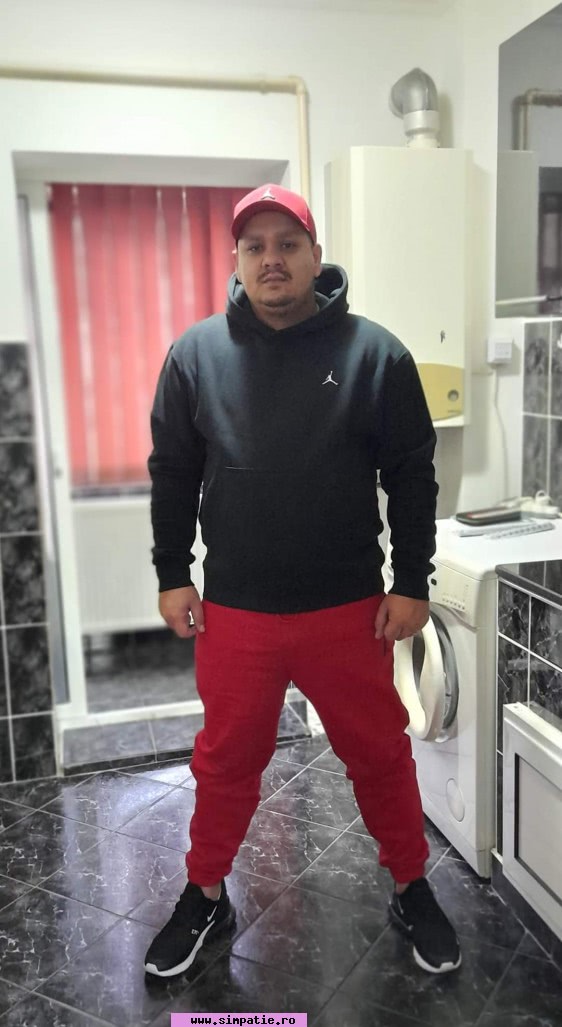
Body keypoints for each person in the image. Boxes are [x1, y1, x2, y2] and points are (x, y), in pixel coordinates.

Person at [144, 183, 461, 979]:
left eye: (288, 243)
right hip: (237, 611)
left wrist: (412, 580)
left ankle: (411, 883)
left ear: (316, 256)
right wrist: (172, 571)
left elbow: (412, 475)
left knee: (379, 752)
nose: (272, 259)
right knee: (225, 761)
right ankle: (205, 891)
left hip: (349, 609)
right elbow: (173, 471)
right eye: (255, 246)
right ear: (237, 260)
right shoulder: (195, 356)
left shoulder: (375, 354)